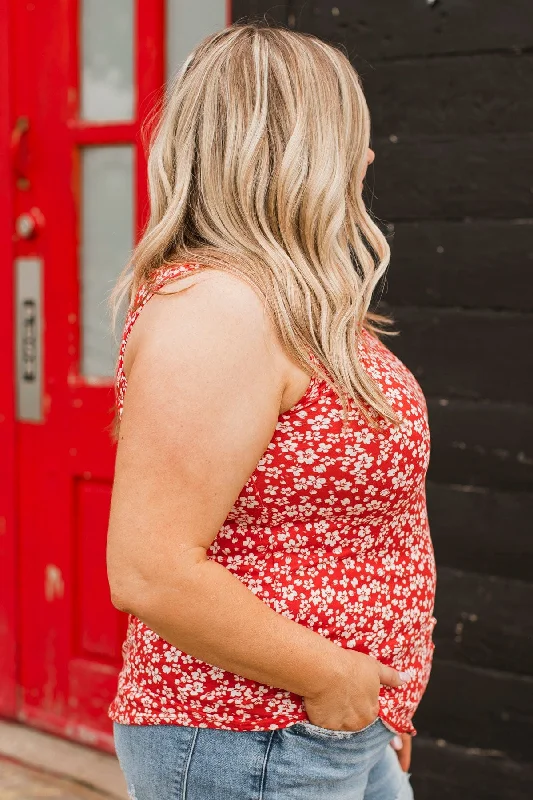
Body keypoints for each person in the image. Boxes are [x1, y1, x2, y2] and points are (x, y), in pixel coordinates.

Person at [106, 20, 436, 800]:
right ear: (301, 147)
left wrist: (375, 704)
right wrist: (338, 679)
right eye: (353, 134)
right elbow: (150, 571)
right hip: (253, 734)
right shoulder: (216, 308)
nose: (368, 156)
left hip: (329, 727)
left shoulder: (285, 302)